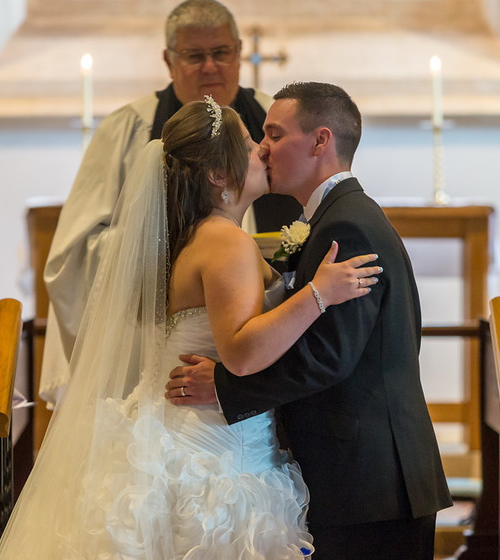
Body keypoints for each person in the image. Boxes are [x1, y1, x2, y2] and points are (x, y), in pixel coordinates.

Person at [0, 97, 380, 558]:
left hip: (174, 435)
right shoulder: (226, 242)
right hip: (214, 452)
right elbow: (238, 353)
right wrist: (318, 294)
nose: (261, 150)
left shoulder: (192, 237)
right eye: (249, 142)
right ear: (218, 175)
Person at [166, 82, 452, 560]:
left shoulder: (347, 225)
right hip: (357, 480)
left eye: (275, 134)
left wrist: (226, 389)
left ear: (321, 141)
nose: (263, 148)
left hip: (370, 482)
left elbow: (329, 355)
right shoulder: (329, 221)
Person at [40, 0, 301, 406]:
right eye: (195, 56)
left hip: (267, 369)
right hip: (168, 357)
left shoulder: (278, 121)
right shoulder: (128, 129)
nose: (210, 67)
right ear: (168, 60)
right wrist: (178, 250)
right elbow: (72, 258)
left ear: (239, 52)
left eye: (222, 53)